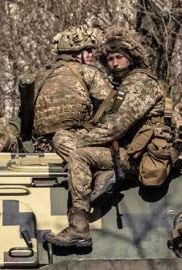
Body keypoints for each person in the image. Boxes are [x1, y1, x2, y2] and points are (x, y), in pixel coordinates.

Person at [44, 27, 173, 248]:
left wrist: (83, 142)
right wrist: (79, 135)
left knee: (79, 156)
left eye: (119, 57)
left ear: (131, 58)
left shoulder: (141, 82)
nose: (114, 63)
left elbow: (116, 127)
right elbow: (103, 124)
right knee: (62, 137)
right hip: (125, 152)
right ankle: (102, 174)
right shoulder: (123, 85)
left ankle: (79, 228)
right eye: (110, 58)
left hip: (143, 158)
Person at [31, 25, 113, 152]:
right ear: (75, 52)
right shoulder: (88, 72)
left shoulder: (42, 75)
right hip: (76, 141)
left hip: (43, 146)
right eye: (87, 50)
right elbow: (110, 106)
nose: (91, 55)